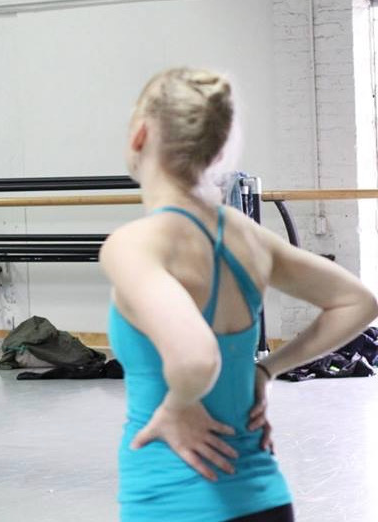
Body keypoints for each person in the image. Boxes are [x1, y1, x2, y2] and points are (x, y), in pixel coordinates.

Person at [101, 67, 378, 521]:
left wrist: (178, 405)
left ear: (140, 135)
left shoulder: (134, 244)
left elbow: (196, 359)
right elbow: (359, 303)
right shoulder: (246, 236)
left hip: (176, 502)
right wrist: (265, 372)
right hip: (264, 499)